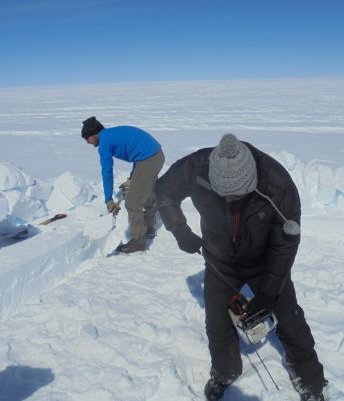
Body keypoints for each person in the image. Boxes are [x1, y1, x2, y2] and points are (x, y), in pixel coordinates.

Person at [155, 133, 326, 401]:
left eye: (238, 194)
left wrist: (267, 294)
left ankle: (311, 381)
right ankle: (225, 373)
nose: (230, 200)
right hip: (219, 259)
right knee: (217, 324)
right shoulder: (197, 166)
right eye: (224, 194)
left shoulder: (276, 183)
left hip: (265, 261)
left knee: (291, 320)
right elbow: (163, 192)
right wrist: (180, 230)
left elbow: (284, 245)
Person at [81, 117, 165, 253]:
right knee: (144, 192)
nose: (87, 142)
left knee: (132, 203)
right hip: (154, 155)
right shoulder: (110, 135)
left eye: (87, 139)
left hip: (149, 159)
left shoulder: (105, 143)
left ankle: (139, 240)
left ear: (93, 134)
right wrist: (133, 177)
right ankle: (149, 227)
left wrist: (108, 199)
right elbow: (137, 151)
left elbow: (107, 171)